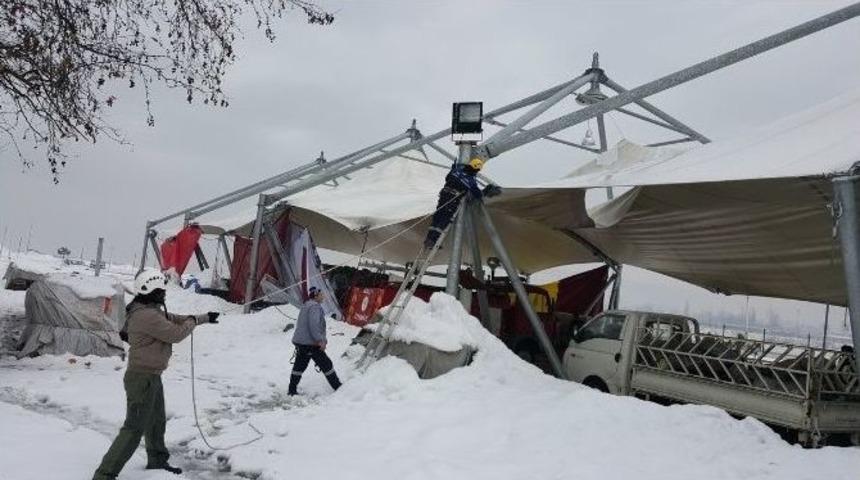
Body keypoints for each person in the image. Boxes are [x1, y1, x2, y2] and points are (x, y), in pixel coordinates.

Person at [93, 270, 220, 480]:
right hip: (141, 378)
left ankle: (157, 460)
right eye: (161, 290)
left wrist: (203, 317)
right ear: (149, 290)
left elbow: (174, 318)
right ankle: (104, 475)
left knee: (156, 421)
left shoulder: (149, 309)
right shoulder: (146, 315)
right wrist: (193, 323)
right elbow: (175, 333)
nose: (164, 294)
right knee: (133, 429)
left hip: (151, 376)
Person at [423, 158, 501, 249]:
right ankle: (433, 240)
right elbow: (478, 195)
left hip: (444, 195)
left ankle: (429, 240)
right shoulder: (469, 180)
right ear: (477, 169)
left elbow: (447, 178)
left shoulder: (457, 170)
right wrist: (487, 190)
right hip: (453, 199)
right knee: (445, 219)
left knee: (438, 216)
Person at [288, 286, 341, 395]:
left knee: (299, 366)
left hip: (302, 342)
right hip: (310, 343)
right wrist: (320, 340)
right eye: (321, 295)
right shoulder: (315, 307)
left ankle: (292, 390)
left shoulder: (306, 305)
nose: (323, 297)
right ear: (316, 296)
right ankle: (338, 388)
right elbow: (314, 325)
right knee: (326, 364)